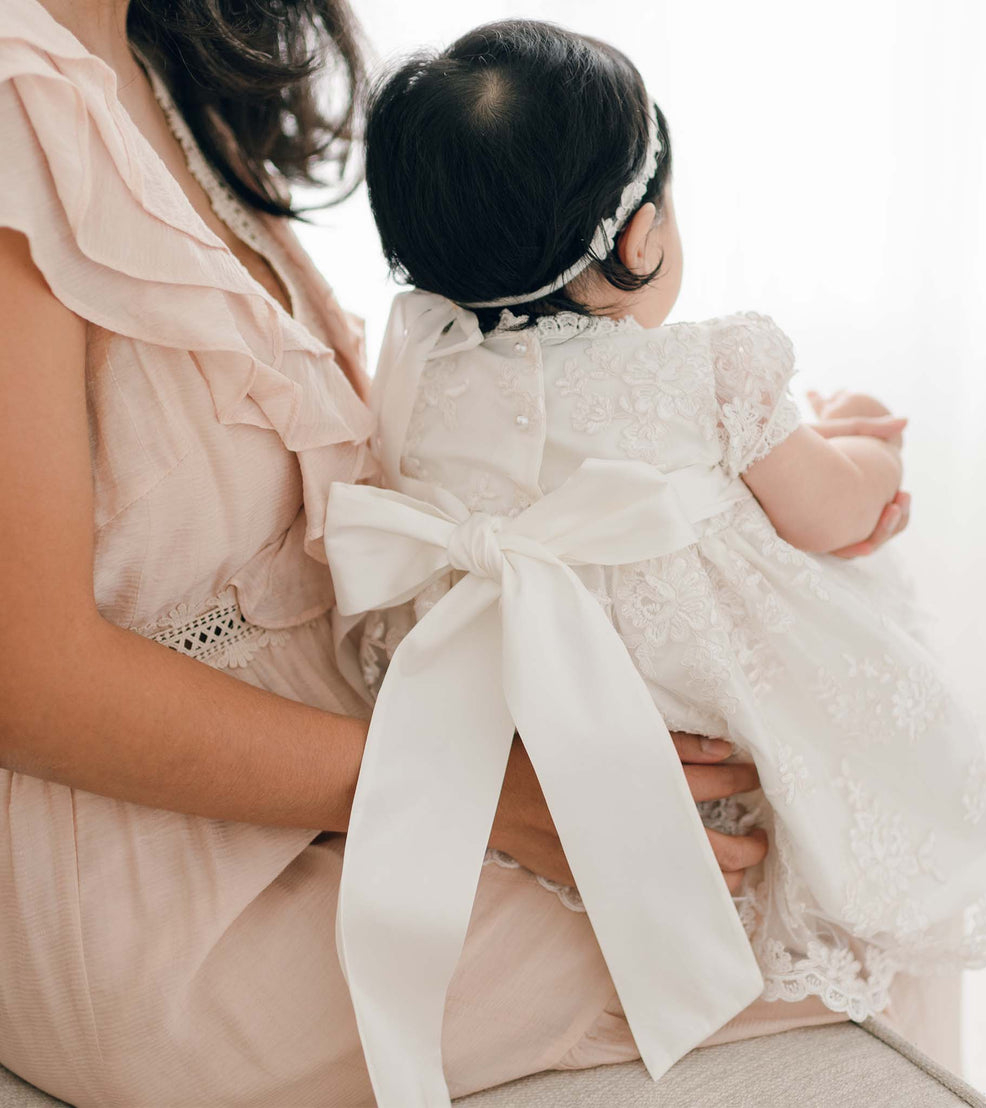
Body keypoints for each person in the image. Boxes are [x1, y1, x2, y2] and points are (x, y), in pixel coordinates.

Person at [0, 1, 924, 1106]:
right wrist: (475, 785)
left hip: (360, 752)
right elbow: (26, 674)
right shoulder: (23, 107)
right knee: (868, 905)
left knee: (834, 838)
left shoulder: (159, 47)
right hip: (177, 892)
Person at [322, 18, 986, 1104]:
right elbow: (829, 514)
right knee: (875, 766)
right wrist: (866, 448)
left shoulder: (426, 369)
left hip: (532, 730)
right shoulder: (711, 370)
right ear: (640, 236)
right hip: (720, 731)